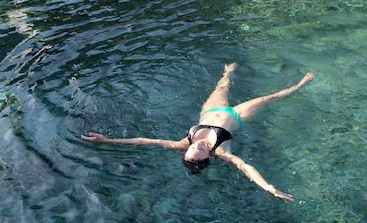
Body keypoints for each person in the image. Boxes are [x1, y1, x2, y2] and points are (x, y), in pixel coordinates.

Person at [81, 63, 315, 201]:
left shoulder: (183, 143)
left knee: (222, 84)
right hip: (236, 116)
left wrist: (108, 140)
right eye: (199, 152)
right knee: (269, 98)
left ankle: (227, 72)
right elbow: (245, 167)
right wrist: (268, 187)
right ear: (207, 158)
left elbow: (144, 140)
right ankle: (299, 86)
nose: (197, 146)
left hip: (210, 110)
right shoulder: (222, 151)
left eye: (192, 149)